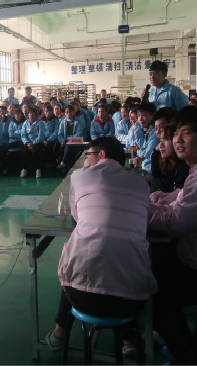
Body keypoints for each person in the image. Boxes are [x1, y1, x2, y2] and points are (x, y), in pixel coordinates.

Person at [45, 138, 157, 352]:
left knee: (80, 255)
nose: (85, 160)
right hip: (132, 301)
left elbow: (77, 216)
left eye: (88, 155)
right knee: (120, 261)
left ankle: (60, 334)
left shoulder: (79, 176)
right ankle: (129, 340)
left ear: (101, 155)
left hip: (81, 297)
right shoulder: (141, 183)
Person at [147, 106, 197, 364]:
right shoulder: (193, 173)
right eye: (175, 133)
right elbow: (179, 199)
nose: (177, 139)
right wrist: (156, 200)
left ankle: (186, 356)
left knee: (155, 295)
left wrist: (143, 213)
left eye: (185, 132)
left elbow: (178, 221)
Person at [151, 125, 190, 193]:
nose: (160, 145)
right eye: (160, 140)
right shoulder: (169, 163)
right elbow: (156, 174)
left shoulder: (184, 169)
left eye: (166, 139)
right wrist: (156, 151)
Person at [128, 102, 158, 173]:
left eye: (144, 115)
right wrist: (137, 126)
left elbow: (146, 155)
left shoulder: (155, 132)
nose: (140, 119)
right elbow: (141, 147)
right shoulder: (148, 131)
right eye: (138, 116)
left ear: (153, 115)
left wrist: (138, 151)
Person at [57, 105, 86, 174]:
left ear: (73, 112)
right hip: (65, 143)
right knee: (68, 147)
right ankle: (67, 168)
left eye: (70, 112)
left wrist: (68, 139)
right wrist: (62, 140)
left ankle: (63, 162)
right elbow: (60, 134)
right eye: (67, 112)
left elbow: (79, 134)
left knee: (69, 146)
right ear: (64, 113)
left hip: (78, 141)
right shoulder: (62, 122)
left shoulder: (79, 121)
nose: (68, 113)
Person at [20, 107, 45, 178]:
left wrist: (33, 143)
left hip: (38, 142)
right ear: (28, 114)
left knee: (36, 151)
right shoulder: (25, 123)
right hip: (28, 143)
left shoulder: (40, 123)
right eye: (30, 113)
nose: (31, 115)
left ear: (36, 114)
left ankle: (38, 169)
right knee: (25, 151)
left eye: (33, 113)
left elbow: (41, 136)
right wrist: (27, 143)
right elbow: (23, 135)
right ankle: (24, 169)